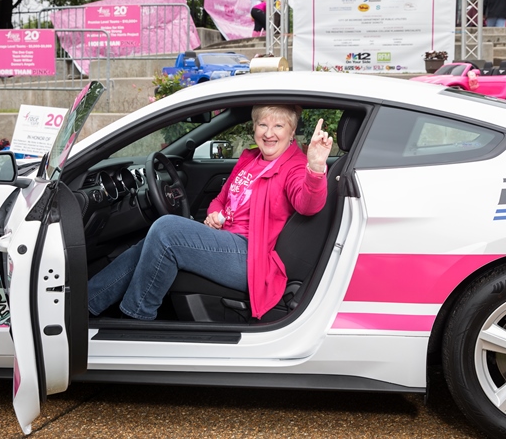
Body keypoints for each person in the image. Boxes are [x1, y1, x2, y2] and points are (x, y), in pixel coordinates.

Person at [87, 105, 333, 320]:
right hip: (228, 241)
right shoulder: (249, 160)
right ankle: (87, 302)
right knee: (151, 241)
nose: (269, 133)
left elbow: (308, 204)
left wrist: (315, 167)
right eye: (262, 124)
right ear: (254, 128)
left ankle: (135, 317)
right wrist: (213, 215)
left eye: (279, 126)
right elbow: (220, 199)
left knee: (166, 231)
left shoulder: (294, 167)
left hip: (254, 256)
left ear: (291, 132)